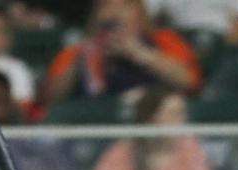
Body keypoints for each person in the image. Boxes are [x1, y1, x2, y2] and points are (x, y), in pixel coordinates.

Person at [86, 85, 217, 170]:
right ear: (151, 120)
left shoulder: (191, 150)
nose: (182, 121)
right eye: (174, 114)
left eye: (183, 114)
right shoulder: (122, 153)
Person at [43, 0, 201, 105]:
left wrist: (138, 53)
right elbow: (50, 99)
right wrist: (85, 57)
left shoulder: (164, 40)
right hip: (98, 128)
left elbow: (188, 81)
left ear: (140, 14)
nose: (114, 14)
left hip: (151, 125)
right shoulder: (79, 52)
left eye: (124, 6)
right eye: (106, 7)